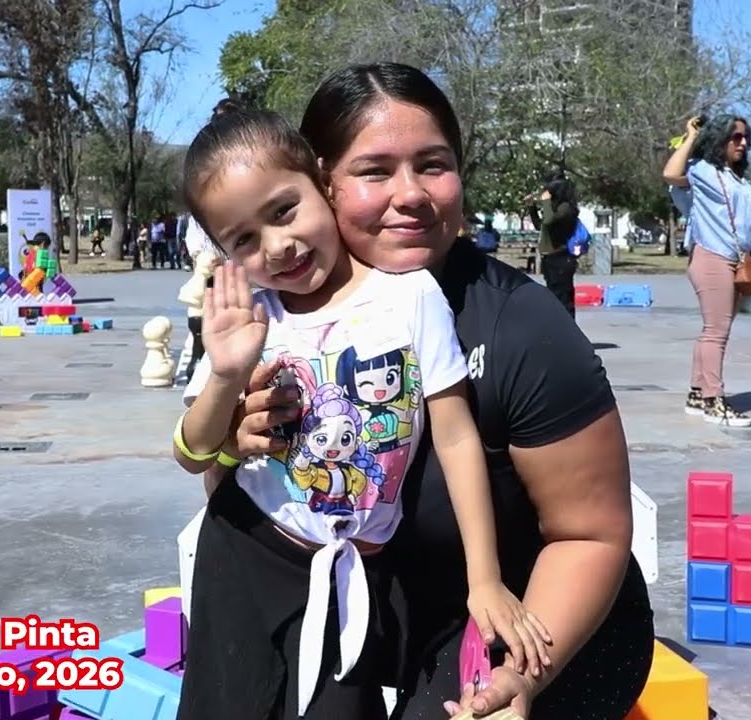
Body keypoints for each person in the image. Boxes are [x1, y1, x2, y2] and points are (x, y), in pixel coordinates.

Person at [220, 63, 650, 720]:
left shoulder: (523, 329)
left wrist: (521, 676)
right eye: (374, 171)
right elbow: (237, 508)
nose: (412, 194)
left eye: (433, 165)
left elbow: (589, 536)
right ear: (320, 181)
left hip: (535, 624)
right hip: (379, 616)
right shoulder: (269, 323)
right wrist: (230, 440)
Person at [173, 108, 551, 720]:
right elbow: (192, 453)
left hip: (357, 573)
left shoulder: (409, 295)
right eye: (243, 239)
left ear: (322, 183)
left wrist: (484, 578)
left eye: (284, 210)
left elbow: (456, 437)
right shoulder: (249, 318)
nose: (277, 246)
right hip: (244, 557)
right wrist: (224, 375)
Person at [663, 114, 751, 428]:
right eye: (735, 137)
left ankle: (697, 393)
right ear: (720, 139)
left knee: (713, 330)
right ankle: (713, 401)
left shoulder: (737, 179)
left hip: (736, 260)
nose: (742, 143)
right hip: (712, 257)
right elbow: (670, 174)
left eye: (745, 138)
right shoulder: (703, 170)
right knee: (716, 332)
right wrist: (691, 136)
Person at [528, 171, 580, 316]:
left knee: (562, 300)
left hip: (561, 258)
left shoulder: (566, 208)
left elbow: (549, 221)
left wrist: (545, 202)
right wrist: (532, 207)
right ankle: (558, 327)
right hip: (550, 258)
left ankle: (567, 328)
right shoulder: (554, 209)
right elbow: (540, 225)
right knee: (554, 298)